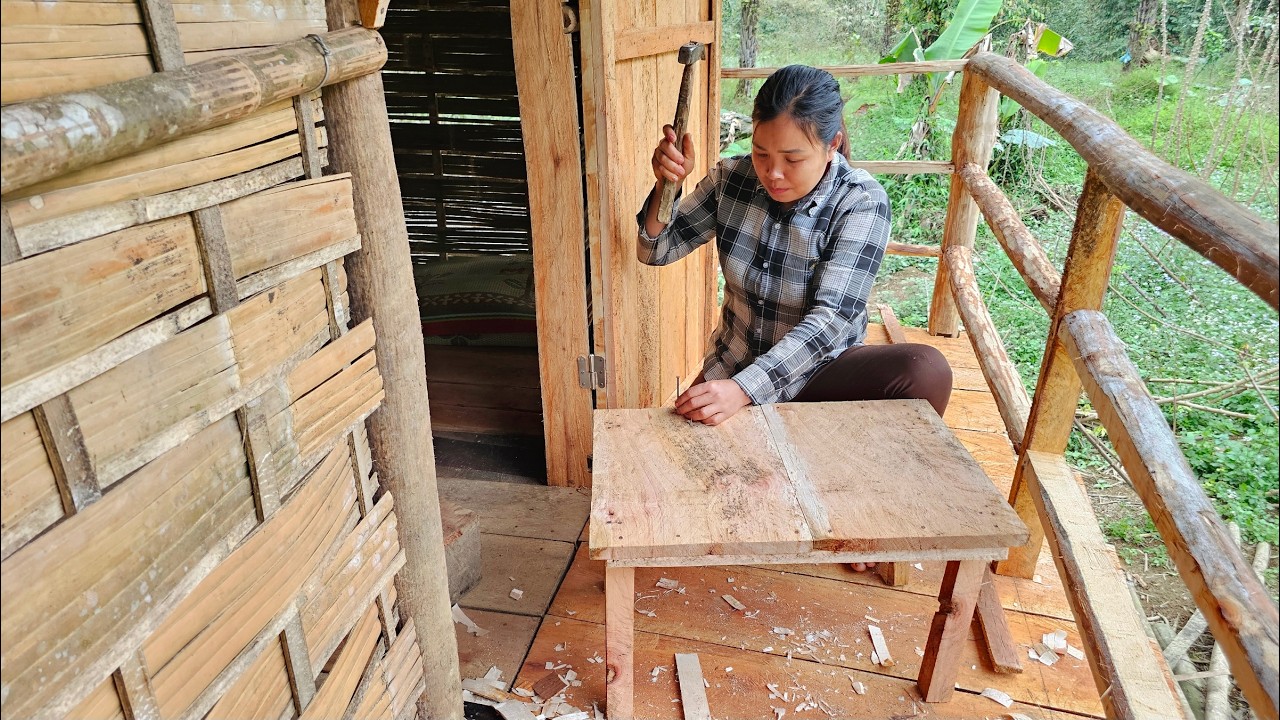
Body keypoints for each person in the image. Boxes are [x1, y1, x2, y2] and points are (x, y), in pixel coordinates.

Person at [638, 66, 954, 567]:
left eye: (793, 158)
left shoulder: (860, 200)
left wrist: (743, 391)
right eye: (762, 153)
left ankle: (872, 508)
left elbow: (832, 321)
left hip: (818, 374)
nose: (773, 173)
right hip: (735, 364)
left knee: (925, 370)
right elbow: (655, 250)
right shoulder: (730, 179)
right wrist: (666, 187)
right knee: (681, 497)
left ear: (833, 145)